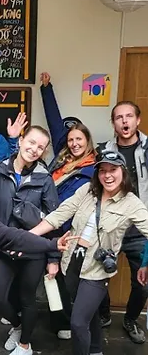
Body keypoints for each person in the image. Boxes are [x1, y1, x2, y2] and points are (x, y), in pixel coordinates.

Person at [30, 150, 148, 355]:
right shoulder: (87, 190)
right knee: (89, 313)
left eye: (113, 170)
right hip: (72, 262)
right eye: (102, 170)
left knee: (77, 322)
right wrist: (27, 236)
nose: (107, 175)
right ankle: (95, 350)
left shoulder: (131, 203)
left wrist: (145, 262)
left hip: (97, 269)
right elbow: (59, 215)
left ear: (123, 172)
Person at [0, 125, 59, 355]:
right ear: (21, 141)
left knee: (27, 298)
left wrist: (53, 258)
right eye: (31, 142)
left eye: (40, 147)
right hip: (2, 246)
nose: (34, 149)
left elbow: (54, 220)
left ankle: (25, 344)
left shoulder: (45, 179)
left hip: (32, 251)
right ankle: (17, 325)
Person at [40, 72, 96, 340]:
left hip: (71, 228)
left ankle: (69, 322)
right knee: (50, 275)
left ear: (88, 141)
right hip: (51, 223)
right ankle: (57, 320)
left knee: (66, 277)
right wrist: (46, 89)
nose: (74, 143)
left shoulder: (95, 167)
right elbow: (55, 124)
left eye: (79, 140)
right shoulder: (61, 162)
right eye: (71, 140)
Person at [97, 101, 148, 344]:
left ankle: (130, 319)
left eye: (129, 116)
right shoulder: (102, 151)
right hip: (111, 225)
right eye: (119, 117)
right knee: (97, 275)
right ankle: (104, 314)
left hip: (140, 229)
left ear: (138, 120)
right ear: (113, 123)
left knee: (143, 282)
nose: (124, 121)